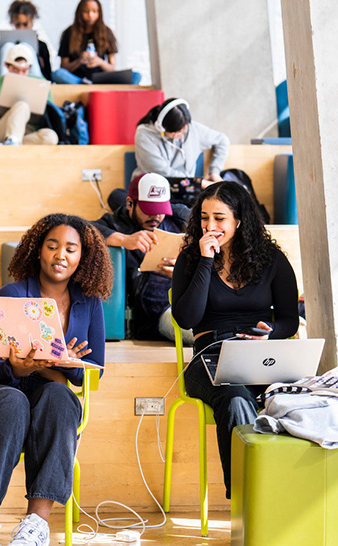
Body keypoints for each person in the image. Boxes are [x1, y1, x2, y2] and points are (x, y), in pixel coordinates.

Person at [0, 214, 112, 546]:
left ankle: (37, 525)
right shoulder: (12, 294)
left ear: (83, 257)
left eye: (71, 249)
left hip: (40, 399)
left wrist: (69, 365)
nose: (60, 255)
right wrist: (13, 367)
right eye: (52, 246)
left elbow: (94, 370)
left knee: (61, 398)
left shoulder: (89, 303)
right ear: (38, 251)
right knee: (13, 400)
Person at [171, 181, 299, 497]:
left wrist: (271, 335)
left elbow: (289, 320)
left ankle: (293, 493)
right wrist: (204, 260)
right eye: (204, 218)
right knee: (235, 398)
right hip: (211, 356)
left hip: (260, 355)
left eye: (219, 218)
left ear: (239, 220)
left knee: (295, 399)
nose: (210, 226)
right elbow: (186, 318)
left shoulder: (271, 260)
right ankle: (248, 496)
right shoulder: (190, 258)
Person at [93, 173, 193, 343]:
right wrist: (124, 239)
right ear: (130, 203)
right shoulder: (114, 224)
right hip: (157, 311)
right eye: (149, 211)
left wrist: (185, 272)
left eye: (160, 211)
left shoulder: (181, 218)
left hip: (191, 299)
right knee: (195, 330)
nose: (156, 217)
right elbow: (80, 229)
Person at [133, 98, 230, 197]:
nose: (181, 134)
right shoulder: (144, 134)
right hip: (155, 192)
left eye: (183, 129)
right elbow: (163, 173)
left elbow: (222, 140)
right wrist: (199, 183)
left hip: (188, 191)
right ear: (161, 127)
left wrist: (214, 172)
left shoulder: (192, 129)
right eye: (176, 132)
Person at [0, 43, 59, 146]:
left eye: (24, 70)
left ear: (30, 67)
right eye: (15, 70)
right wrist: (5, 107)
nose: (20, 74)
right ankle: (12, 141)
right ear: (6, 66)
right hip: (0, 130)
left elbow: (51, 114)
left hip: (29, 130)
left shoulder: (40, 84)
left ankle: (8, 144)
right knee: (22, 105)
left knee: (51, 137)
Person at [53, 0, 118, 84]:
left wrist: (100, 62)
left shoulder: (106, 32)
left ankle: (88, 84)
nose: (90, 15)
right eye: (86, 11)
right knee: (57, 74)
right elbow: (63, 67)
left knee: (136, 75)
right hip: (76, 79)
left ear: (99, 13)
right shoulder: (69, 33)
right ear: (80, 13)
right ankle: (84, 84)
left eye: (94, 11)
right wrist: (80, 61)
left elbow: (112, 68)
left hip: (101, 79)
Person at [0, 1, 53, 81]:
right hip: (10, 83)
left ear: (31, 22)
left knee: (26, 46)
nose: (21, 28)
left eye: (25, 24)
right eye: (18, 24)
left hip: (32, 82)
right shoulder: (5, 46)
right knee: (7, 46)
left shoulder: (41, 46)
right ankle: (4, 83)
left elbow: (48, 74)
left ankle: (38, 83)